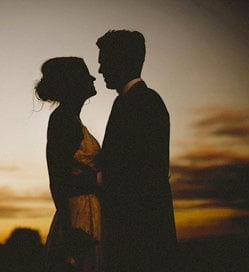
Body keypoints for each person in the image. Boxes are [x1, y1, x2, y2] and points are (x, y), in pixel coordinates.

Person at [95, 30, 176, 271]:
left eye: (103, 62)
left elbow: (140, 171)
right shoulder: (132, 100)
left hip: (141, 231)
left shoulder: (143, 102)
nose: (100, 70)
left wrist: (94, 179)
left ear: (121, 61)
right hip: (137, 229)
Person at [36, 57, 102, 272]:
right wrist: (70, 230)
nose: (93, 78)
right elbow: (57, 178)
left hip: (85, 209)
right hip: (78, 215)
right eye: (85, 75)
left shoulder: (70, 118)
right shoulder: (63, 119)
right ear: (73, 83)